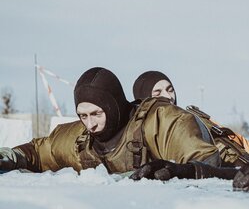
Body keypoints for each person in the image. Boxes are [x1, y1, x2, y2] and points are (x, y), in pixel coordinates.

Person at [0, 67, 223, 174]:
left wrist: (174, 172)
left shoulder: (162, 122)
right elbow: (40, 151)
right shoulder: (80, 140)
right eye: (83, 116)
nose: (91, 124)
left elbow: (206, 163)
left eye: (97, 114)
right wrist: (10, 156)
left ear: (114, 106)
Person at [132, 70, 249, 162]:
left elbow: (240, 144)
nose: (169, 96)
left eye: (170, 89)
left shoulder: (194, 117)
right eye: (158, 92)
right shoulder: (141, 135)